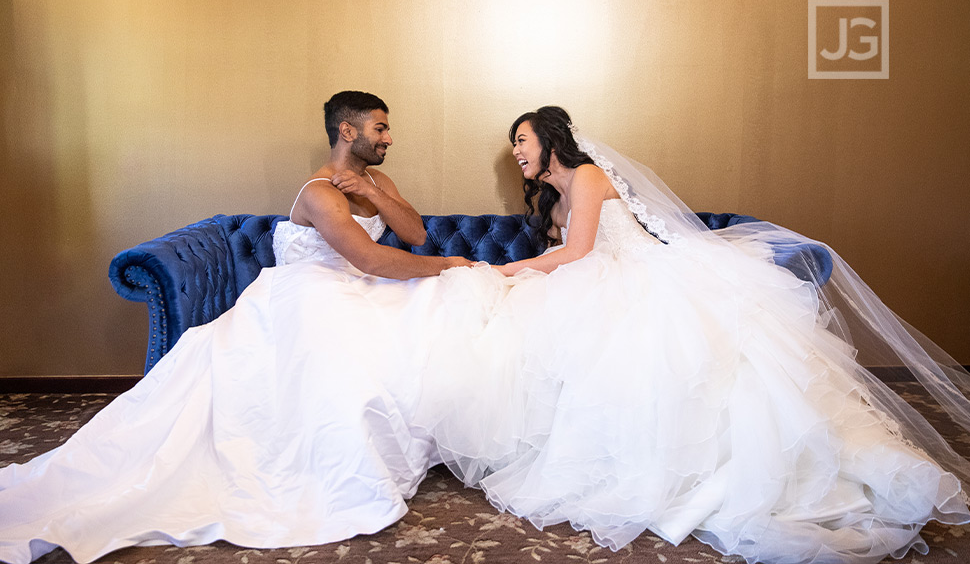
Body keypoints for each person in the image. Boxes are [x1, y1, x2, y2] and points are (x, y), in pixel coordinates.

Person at [411, 106, 970, 564]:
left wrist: (499, 271)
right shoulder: (555, 200)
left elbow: (579, 252)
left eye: (523, 139)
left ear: (552, 139)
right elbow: (565, 253)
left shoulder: (586, 176)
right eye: (514, 142)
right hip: (598, 281)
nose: (516, 150)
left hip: (642, 277)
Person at [0, 91, 476, 564]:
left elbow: (414, 234)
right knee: (351, 344)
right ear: (347, 131)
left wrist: (374, 192)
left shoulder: (378, 180)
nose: (389, 138)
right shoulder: (319, 192)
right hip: (309, 291)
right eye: (380, 128)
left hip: (356, 286)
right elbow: (369, 257)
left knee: (432, 311)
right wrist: (448, 264)